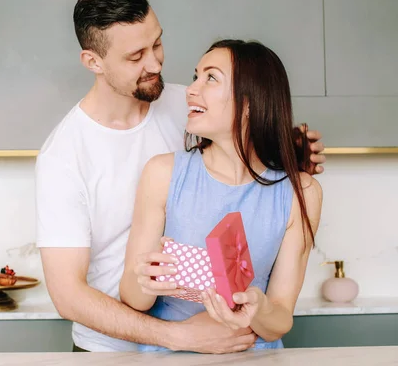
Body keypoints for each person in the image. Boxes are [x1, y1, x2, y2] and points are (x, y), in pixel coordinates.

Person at [34, 0, 326, 353]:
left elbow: (248, 135)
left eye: (157, 43)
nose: (155, 63)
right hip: (109, 349)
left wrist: (291, 150)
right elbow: (68, 295)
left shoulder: (188, 107)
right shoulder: (64, 157)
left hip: (224, 338)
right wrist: (178, 337)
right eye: (135, 56)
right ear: (94, 61)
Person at [119, 39, 323, 352]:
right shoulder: (162, 173)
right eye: (195, 76)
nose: (190, 89)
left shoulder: (301, 193)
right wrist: (144, 279)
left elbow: (280, 321)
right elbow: (133, 298)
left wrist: (258, 308)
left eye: (211, 78)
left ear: (251, 102)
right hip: (172, 356)